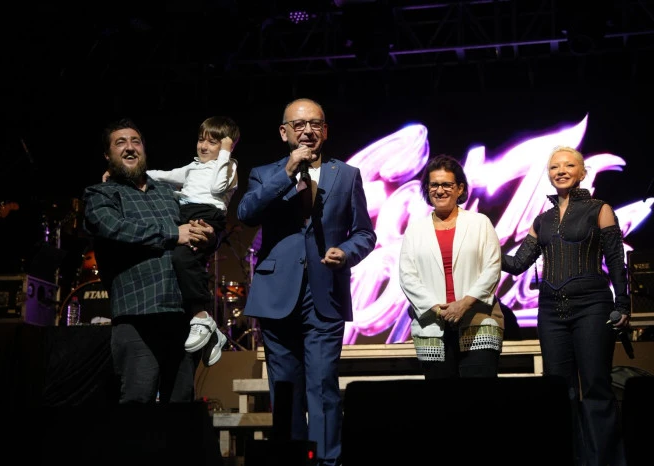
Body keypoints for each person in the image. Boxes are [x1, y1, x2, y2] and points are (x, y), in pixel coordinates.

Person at [236, 98, 376, 466]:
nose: (307, 131)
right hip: (276, 294)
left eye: (315, 124)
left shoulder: (346, 174)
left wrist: (346, 252)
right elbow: (246, 212)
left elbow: (364, 233)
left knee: (323, 383)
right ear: (284, 133)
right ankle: (292, 459)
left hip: (325, 292)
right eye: (298, 125)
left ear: (325, 131)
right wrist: (287, 171)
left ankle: (328, 461)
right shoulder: (264, 174)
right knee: (285, 388)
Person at [501, 145, 630, 466]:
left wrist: (623, 303)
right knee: (560, 390)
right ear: (549, 174)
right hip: (551, 312)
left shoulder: (599, 209)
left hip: (592, 307)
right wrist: (485, 250)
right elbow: (517, 264)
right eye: (555, 167)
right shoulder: (542, 220)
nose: (561, 171)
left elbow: (616, 259)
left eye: (569, 165)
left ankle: (604, 461)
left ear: (582, 172)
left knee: (596, 386)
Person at [83, 117, 216, 404]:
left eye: (136, 141)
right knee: (137, 401)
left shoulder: (169, 193)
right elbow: (115, 228)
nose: (130, 147)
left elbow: (194, 229)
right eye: (120, 143)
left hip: (181, 315)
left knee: (180, 403)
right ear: (107, 154)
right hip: (137, 315)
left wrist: (206, 235)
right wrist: (174, 234)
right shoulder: (100, 194)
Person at [146, 116, 240, 366]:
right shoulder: (193, 167)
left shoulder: (228, 167)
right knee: (176, 263)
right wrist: (134, 176)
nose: (203, 146)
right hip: (185, 213)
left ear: (227, 145)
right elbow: (163, 176)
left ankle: (202, 316)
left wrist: (225, 153)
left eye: (213, 142)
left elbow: (218, 188)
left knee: (184, 258)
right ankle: (210, 331)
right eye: (201, 140)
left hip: (207, 215)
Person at [399, 154, 504, 379]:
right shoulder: (415, 230)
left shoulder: (480, 223)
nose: (440, 190)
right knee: (442, 398)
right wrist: (438, 309)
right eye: (434, 185)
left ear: (460, 189)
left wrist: (464, 304)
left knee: (480, 395)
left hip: (478, 320)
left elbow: (493, 268)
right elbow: (407, 277)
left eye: (447, 184)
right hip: (432, 325)